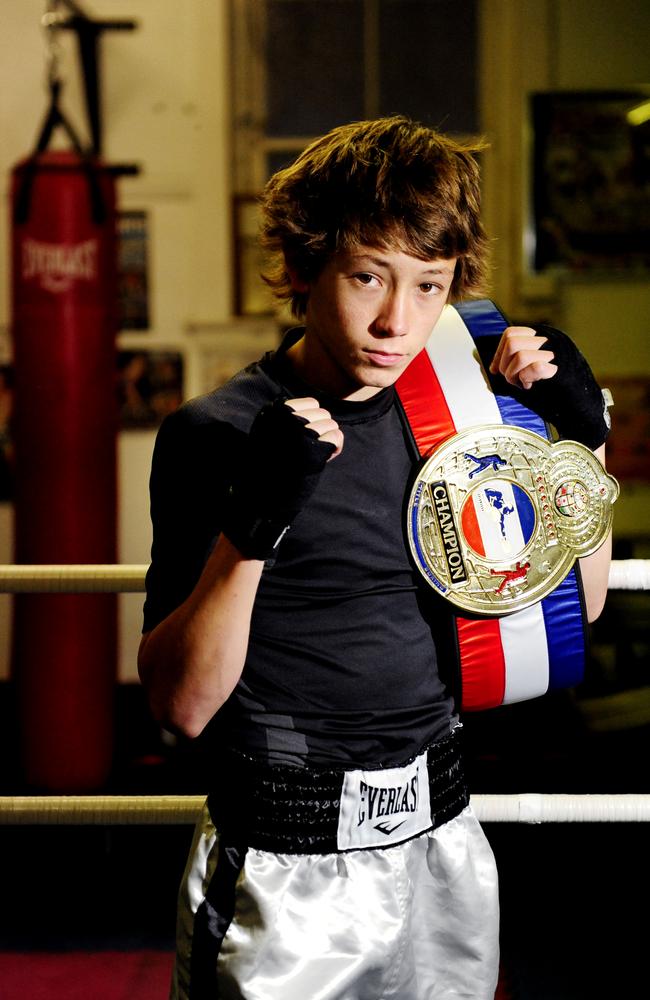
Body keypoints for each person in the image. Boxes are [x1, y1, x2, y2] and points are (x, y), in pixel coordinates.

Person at [138, 116, 612, 1000]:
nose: (399, 321)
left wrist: (580, 450)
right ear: (306, 263)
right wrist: (253, 531)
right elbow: (179, 706)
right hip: (284, 858)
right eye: (368, 278)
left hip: (443, 838)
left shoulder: (461, 413)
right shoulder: (219, 433)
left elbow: (570, 610)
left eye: (429, 287)